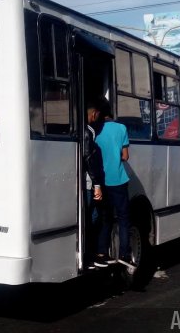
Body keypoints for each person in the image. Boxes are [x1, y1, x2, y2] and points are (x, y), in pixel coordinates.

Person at [94, 101, 132, 267]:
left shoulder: (95, 131)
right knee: (123, 218)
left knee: (105, 218)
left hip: (101, 181)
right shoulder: (121, 128)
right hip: (118, 180)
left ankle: (101, 252)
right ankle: (124, 254)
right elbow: (125, 156)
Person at [83, 102, 105, 268]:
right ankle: (89, 253)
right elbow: (89, 159)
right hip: (89, 182)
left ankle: (87, 253)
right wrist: (97, 183)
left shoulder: (80, 128)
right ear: (94, 114)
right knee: (93, 216)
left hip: (83, 181)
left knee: (91, 216)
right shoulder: (89, 131)